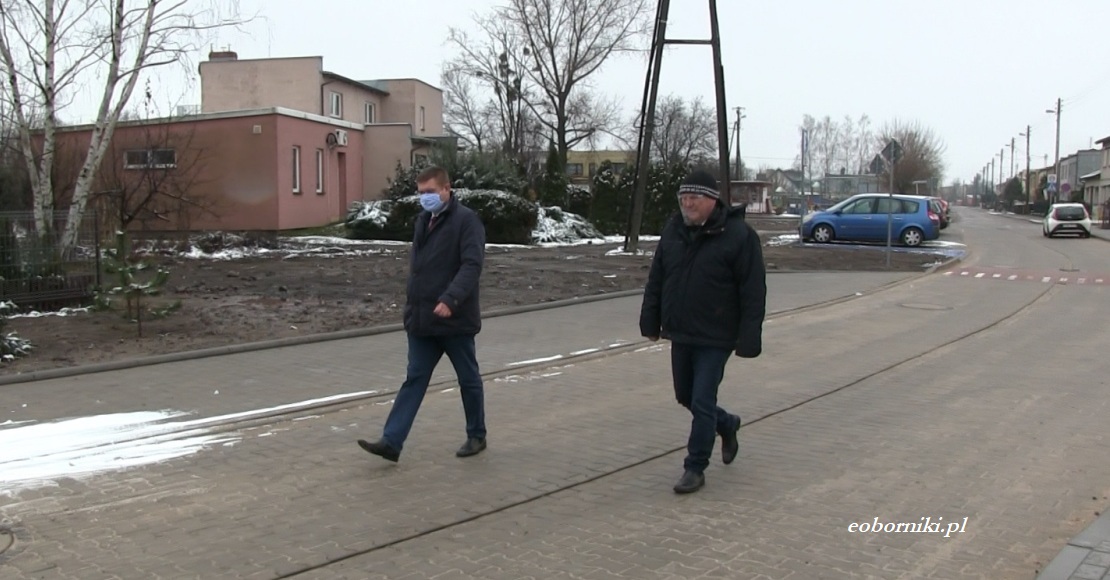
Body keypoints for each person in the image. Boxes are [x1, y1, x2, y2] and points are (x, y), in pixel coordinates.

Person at [639, 170, 767, 494]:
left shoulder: (739, 236)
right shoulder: (674, 231)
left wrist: (749, 337)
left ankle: (695, 467)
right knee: (686, 396)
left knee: (702, 399)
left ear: (712, 200)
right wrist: (650, 321)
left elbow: (753, 291)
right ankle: (727, 423)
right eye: (683, 198)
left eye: (694, 197)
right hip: (681, 331)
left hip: (717, 335)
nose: (687, 203)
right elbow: (657, 279)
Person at [358, 166, 488, 462]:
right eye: (421, 193)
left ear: (446, 189)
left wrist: (451, 299)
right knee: (414, 379)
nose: (425, 198)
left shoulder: (467, 221)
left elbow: (472, 265)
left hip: (454, 319)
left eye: (430, 192)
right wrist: (411, 308)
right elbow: (419, 269)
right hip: (422, 319)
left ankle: (476, 434)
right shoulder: (423, 221)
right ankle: (391, 441)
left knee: (468, 378)